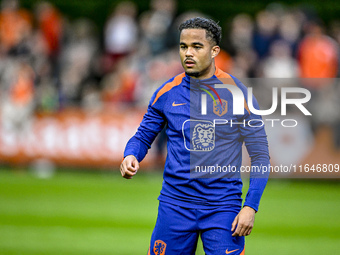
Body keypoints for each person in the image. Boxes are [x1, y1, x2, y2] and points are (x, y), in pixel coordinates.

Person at [120, 17, 270, 255]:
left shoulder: (237, 94)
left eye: (196, 47)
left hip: (223, 208)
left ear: (214, 51)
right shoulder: (167, 92)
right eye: (183, 46)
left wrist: (251, 206)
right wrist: (131, 155)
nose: (188, 53)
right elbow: (142, 136)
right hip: (174, 205)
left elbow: (261, 155)